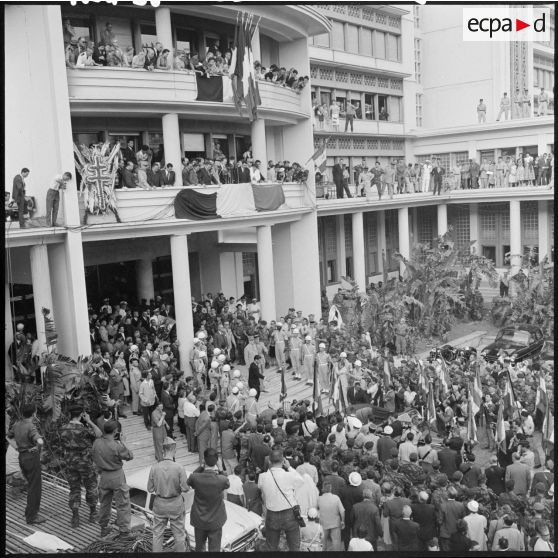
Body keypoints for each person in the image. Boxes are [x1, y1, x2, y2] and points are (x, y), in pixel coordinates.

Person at [59, 405, 102, 527]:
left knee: (74, 488)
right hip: (85, 462)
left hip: (70, 462)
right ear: (82, 415)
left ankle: (75, 517)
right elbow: (99, 434)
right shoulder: (84, 429)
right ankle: (93, 514)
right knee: (91, 486)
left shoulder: (63, 429)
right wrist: (89, 421)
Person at [91, 420, 134, 538]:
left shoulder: (97, 442)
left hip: (103, 476)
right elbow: (130, 456)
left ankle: (104, 528)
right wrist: (124, 442)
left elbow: (94, 456)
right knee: (123, 503)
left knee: (104, 503)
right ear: (116, 431)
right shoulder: (117, 446)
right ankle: (124, 531)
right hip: (117, 475)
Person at [147, 437, 190, 552]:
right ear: (174, 449)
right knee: (179, 536)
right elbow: (185, 489)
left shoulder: (154, 467)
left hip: (160, 504)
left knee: (157, 535)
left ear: (163, 450)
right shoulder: (179, 468)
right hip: (176, 505)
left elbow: (149, 489)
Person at [258, 449, 305, 551]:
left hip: (272, 515)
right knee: (294, 547)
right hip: (289, 514)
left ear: (269, 461)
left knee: (271, 547)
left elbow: (262, 490)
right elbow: (301, 481)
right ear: (283, 460)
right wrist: (289, 467)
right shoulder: (289, 475)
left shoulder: (262, 477)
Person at [8, 403, 46, 524]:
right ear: (34, 413)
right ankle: (32, 517)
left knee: (30, 484)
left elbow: (9, 436)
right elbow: (39, 440)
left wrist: (17, 447)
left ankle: (29, 512)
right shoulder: (31, 426)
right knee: (35, 487)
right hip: (31, 458)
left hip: (22, 457)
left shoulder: (16, 425)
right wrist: (38, 446)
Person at [187, 447, 230, 552]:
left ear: (204, 460)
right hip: (215, 521)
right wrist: (220, 468)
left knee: (199, 548)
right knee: (214, 549)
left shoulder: (195, 478)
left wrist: (201, 466)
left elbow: (191, 478)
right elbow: (227, 482)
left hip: (199, 519)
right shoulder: (221, 480)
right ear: (217, 461)